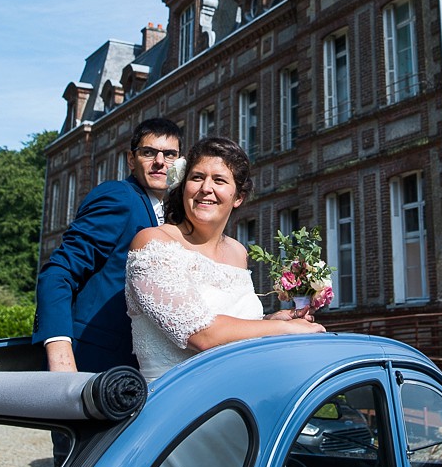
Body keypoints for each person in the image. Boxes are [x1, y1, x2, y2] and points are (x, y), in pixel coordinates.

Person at [125, 136, 325, 380]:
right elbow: (200, 334)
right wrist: (285, 328)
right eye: (197, 177)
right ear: (183, 185)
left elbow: (234, 328)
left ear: (238, 197)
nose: (206, 188)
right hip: (175, 399)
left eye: (219, 180)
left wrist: (269, 319)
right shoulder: (153, 242)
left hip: (238, 395)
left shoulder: (238, 252)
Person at [33, 116, 183, 374]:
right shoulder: (118, 196)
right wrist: (60, 354)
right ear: (130, 159)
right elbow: (58, 272)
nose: (160, 162)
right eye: (149, 152)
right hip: (92, 363)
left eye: (169, 154)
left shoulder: (169, 217)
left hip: (141, 367)